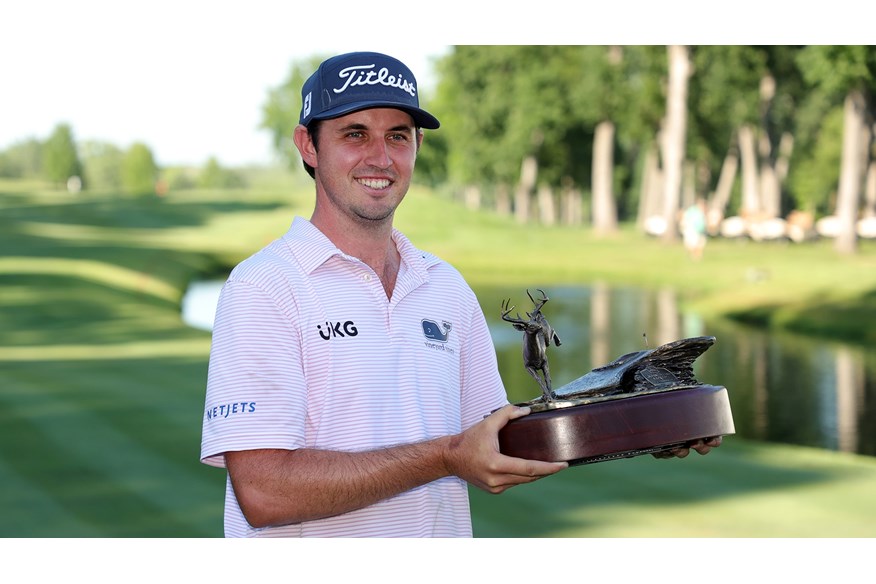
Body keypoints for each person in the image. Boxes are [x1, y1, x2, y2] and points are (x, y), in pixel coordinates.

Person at [200, 51, 720, 538]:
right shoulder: (263, 287)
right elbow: (264, 490)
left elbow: (499, 442)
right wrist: (446, 456)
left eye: (398, 137)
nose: (380, 157)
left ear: (417, 148)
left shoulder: (443, 286)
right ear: (308, 145)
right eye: (355, 134)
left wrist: (645, 422)